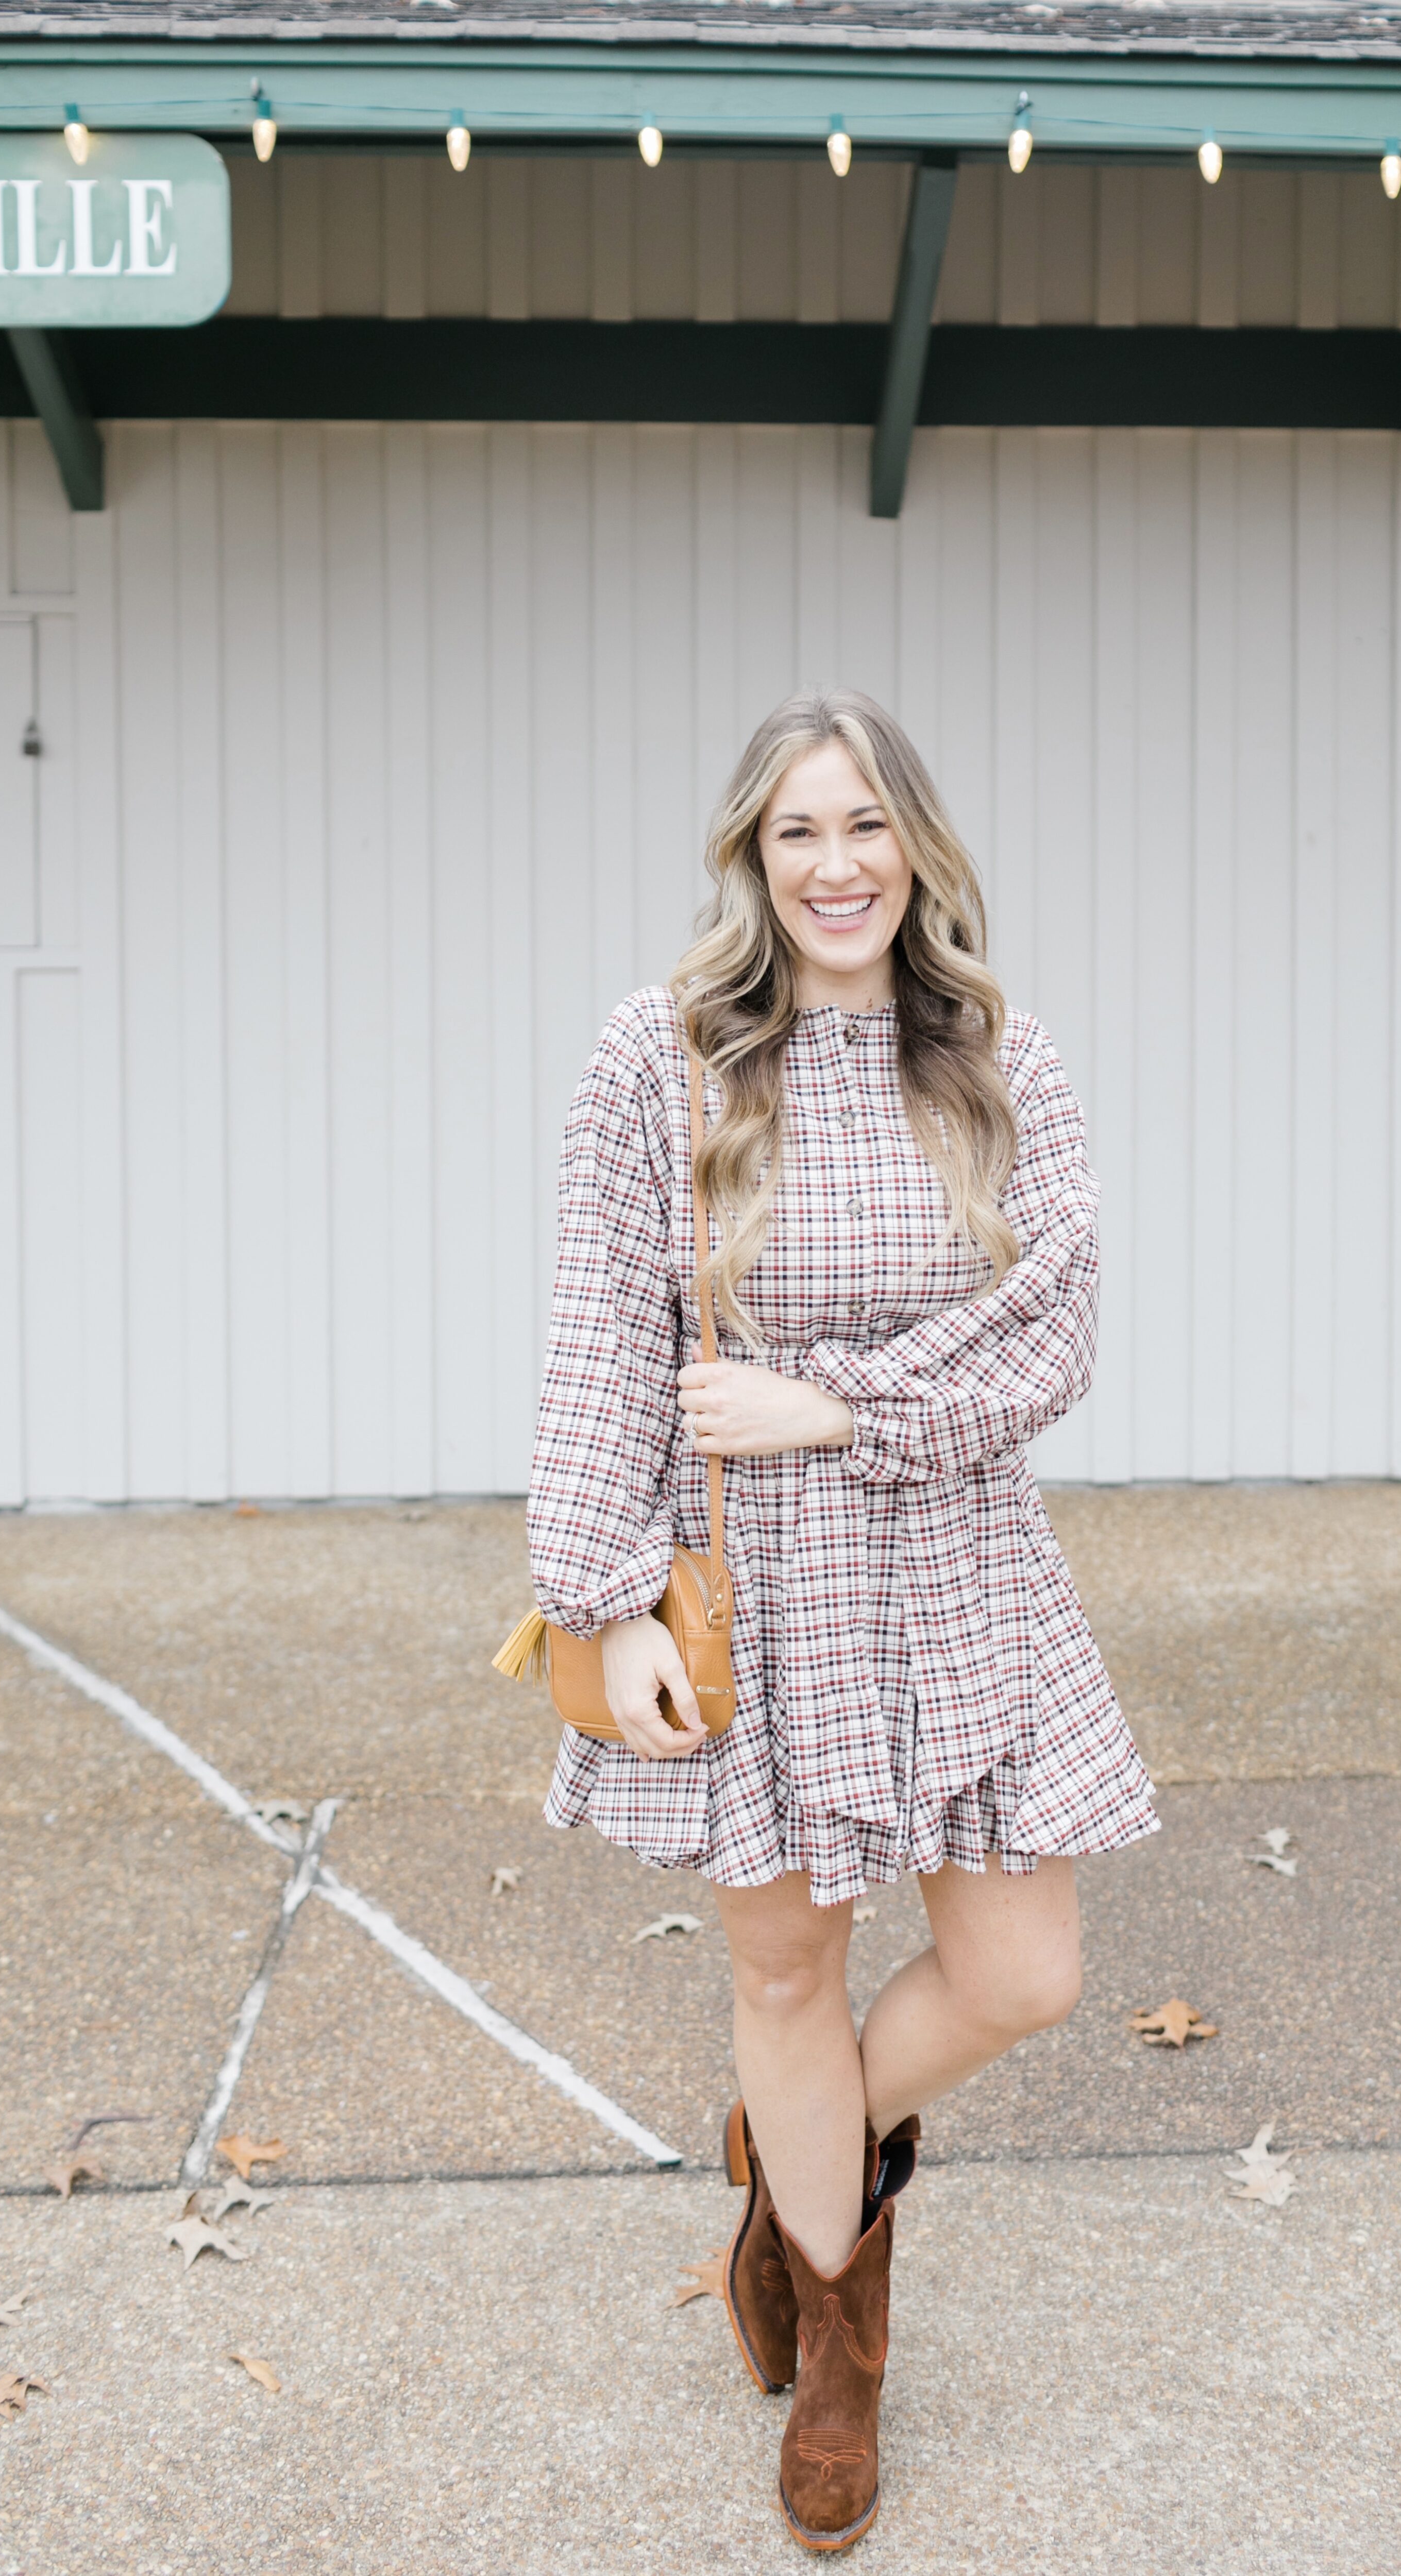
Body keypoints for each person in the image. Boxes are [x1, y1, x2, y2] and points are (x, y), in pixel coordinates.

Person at [526, 689, 1158, 2550]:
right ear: (752, 854)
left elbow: (1054, 1332)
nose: (835, 866)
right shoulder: (664, 1059)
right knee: (785, 1976)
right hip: (759, 1589)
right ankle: (837, 2348)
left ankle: (784, 2153)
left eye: (866, 826)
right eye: (798, 831)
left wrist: (843, 1406)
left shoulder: (997, 1060)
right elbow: (601, 1344)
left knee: (1022, 1973)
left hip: (960, 1562)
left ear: (918, 850)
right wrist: (605, 1590)